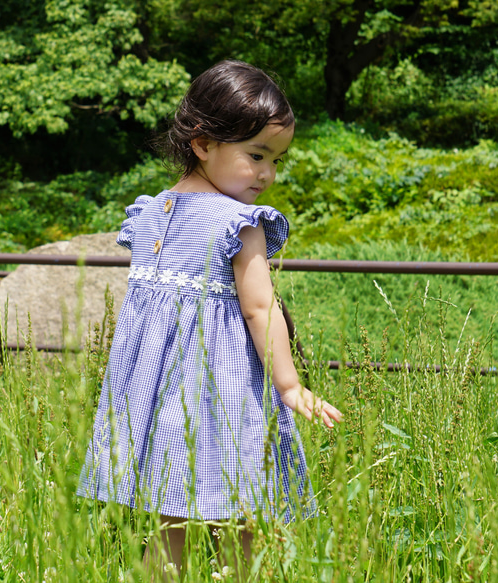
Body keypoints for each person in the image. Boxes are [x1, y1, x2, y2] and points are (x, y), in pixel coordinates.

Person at [78, 59, 342, 579]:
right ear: (203, 144)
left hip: (155, 401)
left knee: (167, 516)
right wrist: (289, 386)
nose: (266, 174)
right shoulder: (242, 223)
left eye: (275, 161)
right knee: (246, 511)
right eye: (256, 155)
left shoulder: (151, 213)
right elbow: (259, 306)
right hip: (224, 392)